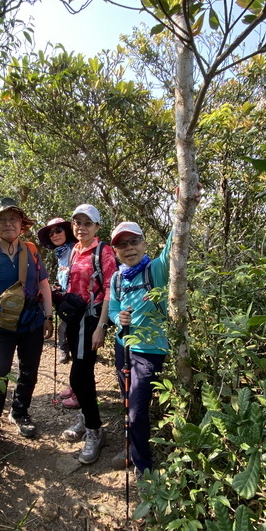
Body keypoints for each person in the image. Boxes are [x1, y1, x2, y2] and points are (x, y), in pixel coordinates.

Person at [0, 197, 54, 464]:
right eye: (2, 219)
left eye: (13, 219)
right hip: (0, 327)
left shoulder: (31, 250)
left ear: (21, 224)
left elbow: (43, 284)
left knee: (29, 372)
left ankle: (20, 413)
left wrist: (49, 316)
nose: (8, 224)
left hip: (32, 322)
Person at [108, 221, 171, 478]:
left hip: (150, 351)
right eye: (122, 244)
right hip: (123, 346)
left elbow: (172, 249)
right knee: (126, 404)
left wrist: (183, 206)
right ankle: (133, 450)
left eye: (134, 241)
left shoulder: (155, 269)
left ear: (144, 243)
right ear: (116, 251)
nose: (129, 248)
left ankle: (143, 467)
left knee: (136, 410)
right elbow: (113, 309)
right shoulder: (117, 277)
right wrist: (117, 318)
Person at [60, 204, 118, 464]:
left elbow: (109, 290)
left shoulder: (103, 252)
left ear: (96, 226)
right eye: (77, 222)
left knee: (79, 376)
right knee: (82, 373)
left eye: (86, 223)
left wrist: (101, 327)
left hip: (92, 319)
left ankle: (95, 431)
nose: (80, 227)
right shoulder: (74, 250)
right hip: (74, 319)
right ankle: (86, 417)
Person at [37, 217, 79, 409]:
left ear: (67, 231)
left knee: (79, 350)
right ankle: (74, 385)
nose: (55, 235)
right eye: (51, 232)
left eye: (58, 230)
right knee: (73, 344)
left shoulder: (74, 249)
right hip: (67, 306)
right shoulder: (61, 253)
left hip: (78, 307)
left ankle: (79, 392)